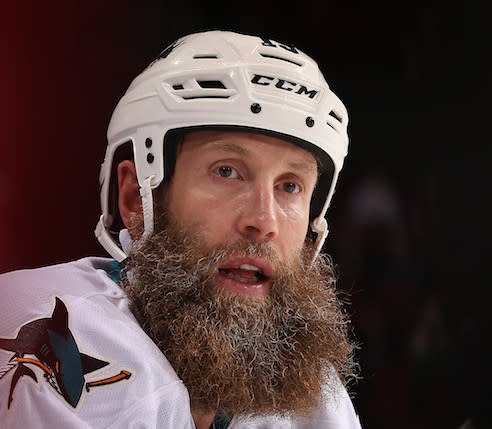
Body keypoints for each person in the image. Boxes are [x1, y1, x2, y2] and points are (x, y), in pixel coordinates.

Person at [0, 31, 360, 428]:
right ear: (138, 199)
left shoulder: (314, 402)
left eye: (290, 185)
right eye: (227, 171)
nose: (264, 222)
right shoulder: (40, 321)